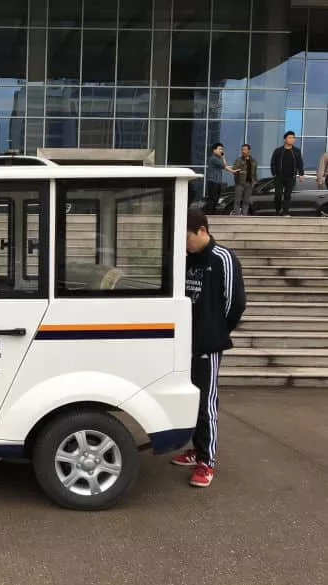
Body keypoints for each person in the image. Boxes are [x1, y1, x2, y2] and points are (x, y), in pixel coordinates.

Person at [172, 208, 246, 488]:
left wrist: (216, 330)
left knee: (205, 401)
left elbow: (235, 302)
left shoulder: (222, 258)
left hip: (207, 344)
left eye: (187, 238)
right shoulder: (187, 259)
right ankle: (196, 448)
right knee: (187, 397)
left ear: (202, 231)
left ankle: (207, 460)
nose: (185, 244)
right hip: (183, 341)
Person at [270, 131, 305, 216]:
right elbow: (273, 162)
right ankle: (278, 210)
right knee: (278, 195)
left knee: (287, 195)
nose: (292, 139)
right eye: (290, 137)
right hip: (279, 177)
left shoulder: (296, 151)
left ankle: (285, 212)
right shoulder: (278, 151)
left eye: (293, 138)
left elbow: (300, 163)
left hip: (291, 177)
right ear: (285, 139)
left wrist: (301, 174)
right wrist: (274, 173)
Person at [205, 143, 238, 213]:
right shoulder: (213, 158)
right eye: (220, 149)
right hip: (213, 182)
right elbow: (224, 166)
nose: (221, 151)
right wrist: (233, 171)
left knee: (215, 199)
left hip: (217, 182)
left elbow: (225, 166)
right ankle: (209, 214)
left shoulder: (217, 159)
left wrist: (234, 169)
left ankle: (211, 214)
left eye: (222, 149)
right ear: (214, 150)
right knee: (213, 199)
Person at [231, 144, 258, 216]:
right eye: (242, 150)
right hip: (239, 183)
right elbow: (234, 170)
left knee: (246, 201)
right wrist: (239, 172)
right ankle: (236, 216)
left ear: (249, 150)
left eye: (245, 149)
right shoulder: (238, 160)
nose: (243, 151)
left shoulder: (254, 161)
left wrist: (255, 182)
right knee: (237, 201)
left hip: (249, 184)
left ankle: (244, 216)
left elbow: (254, 173)